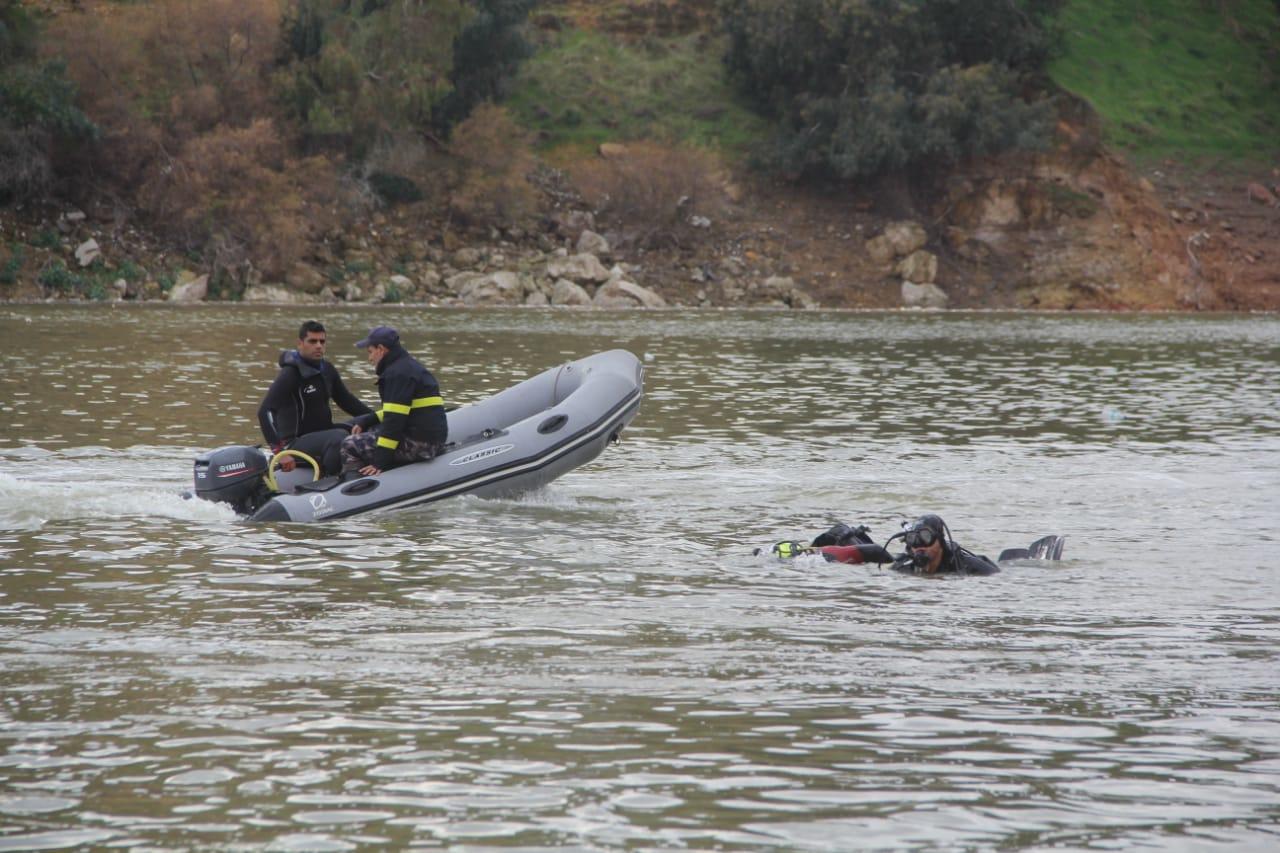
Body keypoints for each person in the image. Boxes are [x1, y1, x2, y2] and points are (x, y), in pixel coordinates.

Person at [258, 321, 374, 476]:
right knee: (340, 437)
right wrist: (280, 451)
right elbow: (264, 411)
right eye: (312, 341)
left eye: (322, 341)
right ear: (300, 344)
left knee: (363, 425)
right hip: (294, 443)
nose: (318, 346)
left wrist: (376, 418)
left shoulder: (327, 370)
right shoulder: (290, 374)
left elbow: (349, 403)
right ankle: (332, 479)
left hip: (322, 433)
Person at [340, 326, 448, 477]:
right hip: (434, 441)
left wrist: (380, 461)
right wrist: (368, 420)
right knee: (373, 429)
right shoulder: (410, 366)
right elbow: (401, 410)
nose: (370, 358)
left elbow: (394, 421)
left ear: (381, 349)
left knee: (349, 444)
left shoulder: (396, 374)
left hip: (419, 445)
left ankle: (355, 487)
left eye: (370, 352)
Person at [896, 514, 1000, 575]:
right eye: (912, 539)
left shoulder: (968, 566)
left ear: (940, 540)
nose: (919, 545)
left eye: (926, 537)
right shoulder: (903, 566)